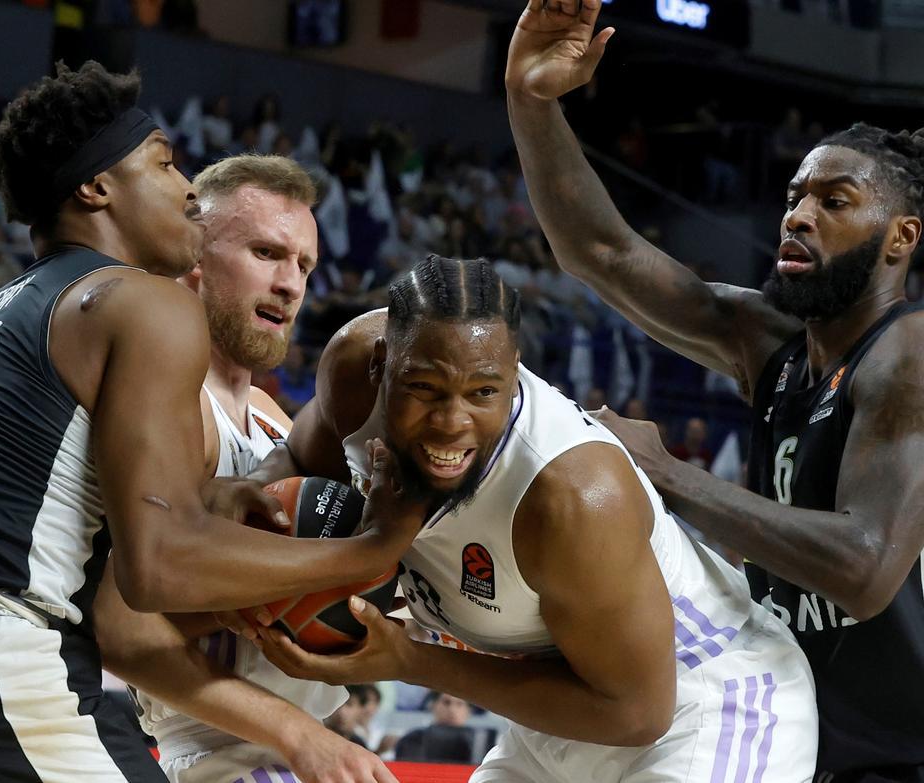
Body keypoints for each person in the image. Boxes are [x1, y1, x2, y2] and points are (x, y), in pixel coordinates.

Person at [0, 61, 422, 783]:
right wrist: (373, 550)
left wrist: (214, 503)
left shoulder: (0, 309)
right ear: (97, 186)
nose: (187, 192)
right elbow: (157, 567)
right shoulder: (141, 299)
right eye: (166, 165)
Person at [501, 1, 924, 777]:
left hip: (898, 750)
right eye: (796, 194)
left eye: (834, 202)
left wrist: (663, 475)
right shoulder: (770, 340)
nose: (798, 215)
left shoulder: (909, 352)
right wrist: (532, 101)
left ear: (901, 237)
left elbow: (864, 570)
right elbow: (602, 251)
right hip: (789, 730)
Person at [251, 257, 818, 782]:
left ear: (514, 376)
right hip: (560, 704)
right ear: (381, 366)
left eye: (483, 392)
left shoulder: (572, 496)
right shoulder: (352, 368)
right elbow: (299, 462)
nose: (452, 422)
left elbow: (638, 713)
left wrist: (411, 660)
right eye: (423, 388)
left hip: (702, 699)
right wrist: (247, 497)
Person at [95, 153, 395, 783]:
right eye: (266, 253)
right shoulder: (171, 399)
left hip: (290, 747)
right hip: (221, 754)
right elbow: (126, 627)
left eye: (304, 265)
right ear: (194, 250)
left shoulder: (271, 418)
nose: (291, 284)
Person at [394, 692, 474, 764]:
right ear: (433, 706)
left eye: (459, 704)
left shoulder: (478, 742)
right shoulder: (413, 739)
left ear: (469, 711)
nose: (452, 710)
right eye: (446, 702)